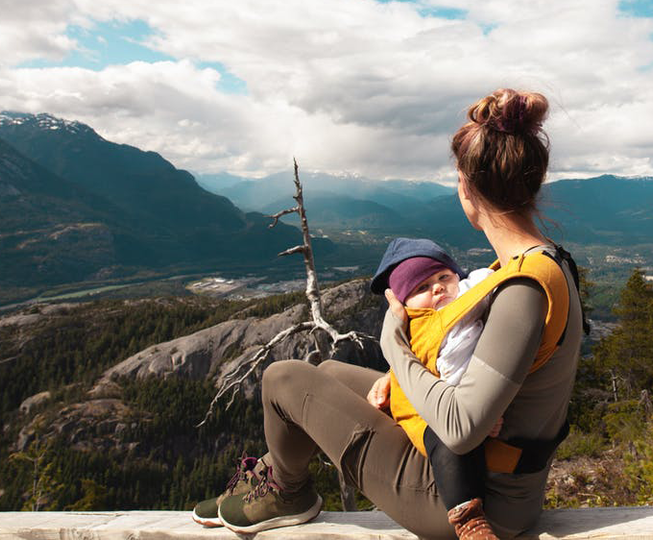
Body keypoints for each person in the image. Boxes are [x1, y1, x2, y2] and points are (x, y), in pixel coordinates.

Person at [191, 88, 585, 540]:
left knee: (283, 378)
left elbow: (459, 429)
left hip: (474, 500)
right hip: (494, 477)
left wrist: (394, 344)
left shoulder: (522, 289)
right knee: (332, 374)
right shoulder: (544, 263)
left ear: (465, 187)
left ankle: (288, 490)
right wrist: (404, 379)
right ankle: (274, 477)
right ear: (534, 182)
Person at [367, 237, 500, 536]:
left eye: (444, 277)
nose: (438, 287)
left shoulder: (469, 298)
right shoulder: (419, 325)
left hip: (469, 401)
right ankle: (468, 520)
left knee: (461, 439)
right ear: (405, 303)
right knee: (447, 443)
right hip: (427, 410)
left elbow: (489, 279)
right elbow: (418, 360)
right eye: (422, 288)